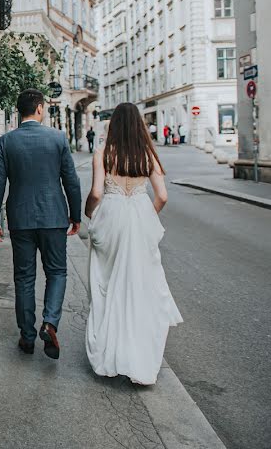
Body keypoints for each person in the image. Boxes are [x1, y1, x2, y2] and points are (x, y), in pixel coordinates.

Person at [83, 102, 182, 385]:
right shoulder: (148, 154)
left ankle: (108, 351)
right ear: (139, 125)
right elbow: (162, 196)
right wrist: (145, 215)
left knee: (106, 285)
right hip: (139, 214)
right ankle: (137, 355)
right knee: (139, 286)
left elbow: (96, 192)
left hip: (111, 217)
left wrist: (90, 213)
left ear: (113, 125)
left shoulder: (103, 154)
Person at [0, 89, 81, 359]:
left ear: (19, 111)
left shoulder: (5, 142)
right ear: (40, 109)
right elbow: (71, 181)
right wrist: (75, 216)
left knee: (25, 277)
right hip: (53, 217)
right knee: (57, 272)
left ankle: (27, 337)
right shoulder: (57, 139)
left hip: (21, 219)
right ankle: (49, 323)